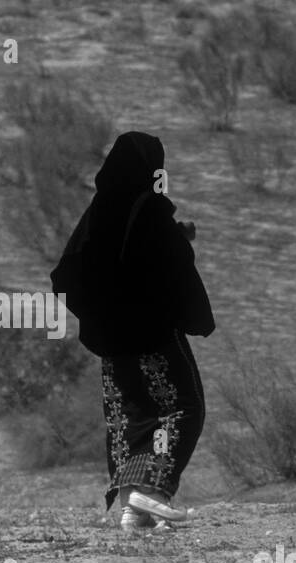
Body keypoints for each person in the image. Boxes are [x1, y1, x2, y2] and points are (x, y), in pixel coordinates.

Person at [51, 131, 215, 532]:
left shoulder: (99, 212)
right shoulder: (151, 211)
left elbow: (69, 271)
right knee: (183, 409)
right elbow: (166, 265)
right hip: (154, 336)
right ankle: (155, 491)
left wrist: (100, 314)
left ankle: (132, 508)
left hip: (112, 341)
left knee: (130, 417)